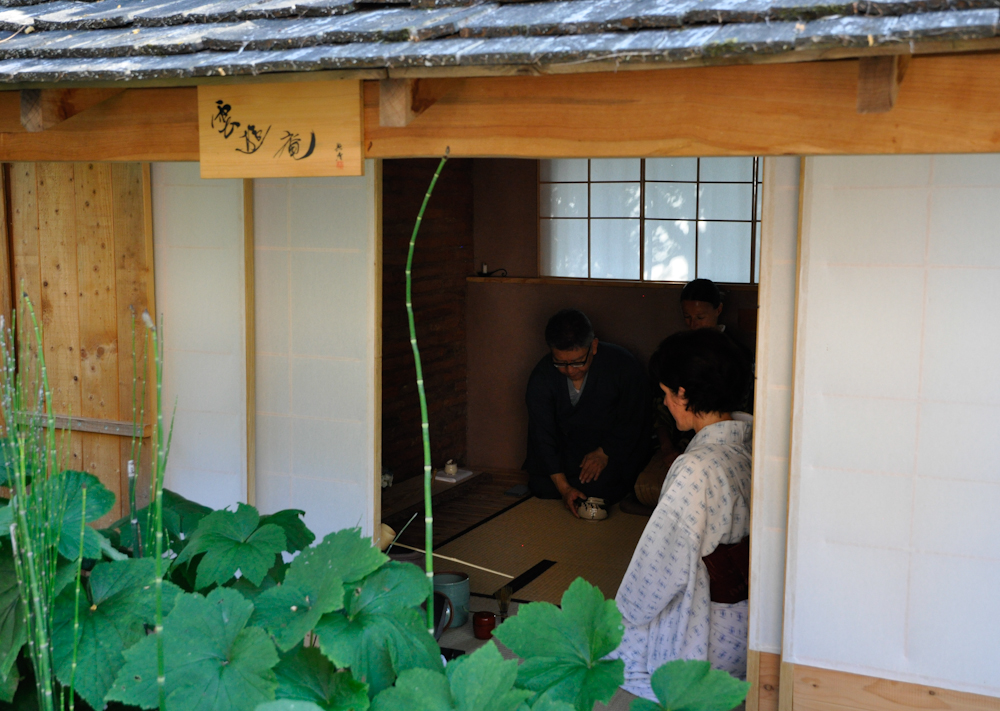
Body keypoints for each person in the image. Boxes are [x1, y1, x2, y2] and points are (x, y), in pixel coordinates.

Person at [609, 328, 753, 700]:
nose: (667, 403)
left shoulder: (696, 468)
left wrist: (622, 613)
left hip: (705, 637)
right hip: (751, 631)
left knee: (613, 645)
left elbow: (658, 569)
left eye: (667, 394)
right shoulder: (754, 445)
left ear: (684, 394)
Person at [632, 279, 754, 508]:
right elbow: (661, 409)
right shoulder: (677, 355)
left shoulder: (738, 357)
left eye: (700, 317)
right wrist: (668, 449)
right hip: (683, 442)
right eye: (687, 317)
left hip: (709, 444)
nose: (693, 324)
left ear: (718, 310)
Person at [523, 309, 652, 517]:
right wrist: (564, 488)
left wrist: (605, 451)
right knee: (541, 484)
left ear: (593, 346)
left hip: (609, 448)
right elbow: (542, 434)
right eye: (561, 363)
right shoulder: (542, 376)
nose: (570, 370)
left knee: (605, 486)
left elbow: (635, 418)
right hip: (566, 450)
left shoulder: (622, 365)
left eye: (577, 362)